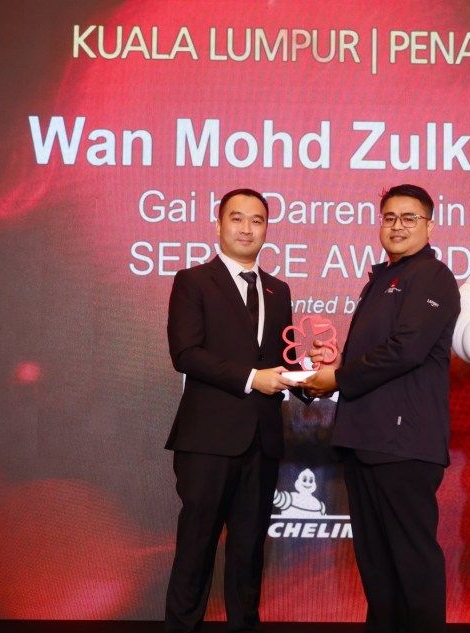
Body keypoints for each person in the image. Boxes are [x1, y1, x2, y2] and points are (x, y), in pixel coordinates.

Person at [304, 184, 460, 633]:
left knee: (411, 563)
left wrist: (339, 378)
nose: (397, 226)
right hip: (365, 439)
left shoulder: (432, 275)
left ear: (430, 226)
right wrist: (335, 366)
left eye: (409, 218)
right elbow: (378, 354)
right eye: (389, 217)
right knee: (377, 567)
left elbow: (406, 350)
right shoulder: (382, 278)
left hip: (403, 443)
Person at [164, 188, 301, 633]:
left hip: (262, 439)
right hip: (208, 438)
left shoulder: (279, 290)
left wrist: (312, 374)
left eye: (257, 220)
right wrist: (251, 378)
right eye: (237, 219)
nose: (247, 228)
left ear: (267, 229)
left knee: (248, 553)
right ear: (219, 224)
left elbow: (282, 363)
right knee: (196, 549)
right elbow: (186, 353)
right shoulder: (193, 280)